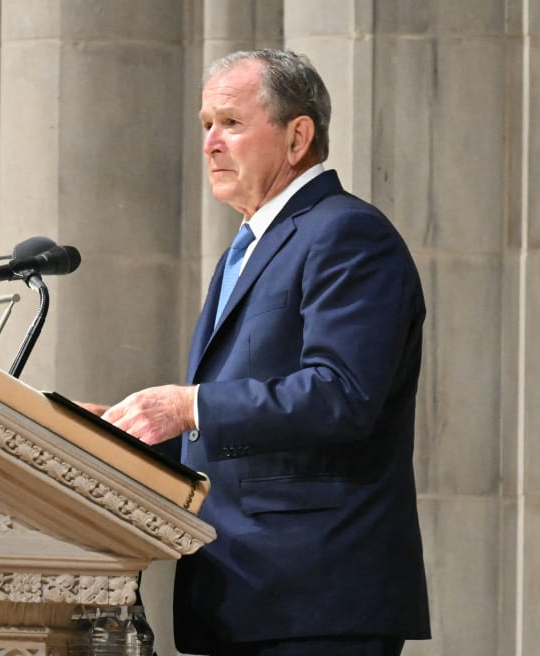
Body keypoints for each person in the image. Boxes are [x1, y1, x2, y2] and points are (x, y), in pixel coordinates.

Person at [92, 49, 430, 656]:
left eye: (232, 123)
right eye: (205, 126)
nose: (211, 144)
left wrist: (189, 406)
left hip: (316, 595)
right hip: (244, 593)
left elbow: (341, 394)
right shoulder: (245, 249)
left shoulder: (347, 234)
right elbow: (234, 425)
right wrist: (113, 433)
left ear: (298, 135)